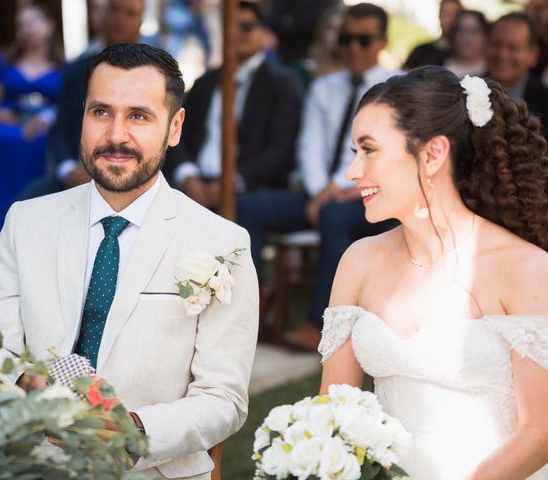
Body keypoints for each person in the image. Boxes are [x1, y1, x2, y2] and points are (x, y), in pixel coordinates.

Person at [0, 43, 259, 479]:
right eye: (100, 112)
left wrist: (136, 431)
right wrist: (30, 393)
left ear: (175, 126)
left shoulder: (223, 244)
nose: (116, 135)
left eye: (139, 116)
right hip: (30, 463)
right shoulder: (25, 222)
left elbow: (224, 398)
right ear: (81, 116)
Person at [319, 65, 548, 479]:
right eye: (355, 152)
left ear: (432, 154)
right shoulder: (359, 261)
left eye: (369, 150)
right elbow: (335, 410)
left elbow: (540, 433)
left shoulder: (525, 269)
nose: (353, 172)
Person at [280, 3, 397, 351]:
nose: (353, 48)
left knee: (333, 217)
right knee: (248, 208)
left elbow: (382, 150)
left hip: (374, 195)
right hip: (322, 194)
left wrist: (334, 190)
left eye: (364, 39)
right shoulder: (325, 86)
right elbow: (309, 145)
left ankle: (320, 323)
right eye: (347, 39)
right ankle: (252, 315)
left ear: (382, 41)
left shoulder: (398, 86)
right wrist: (320, 190)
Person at [169, 0, 302, 208]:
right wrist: (188, 175)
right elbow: (177, 131)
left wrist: (234, 181)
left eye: (247, 26)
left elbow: (281, 150)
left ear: (262, 32)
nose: (239, 32)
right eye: (232, 25)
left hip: (249, 190)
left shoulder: (281, 83)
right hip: (194, 186)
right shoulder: (207, 81)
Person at [19, 0, 143, 201]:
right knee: (27, 201)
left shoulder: (155, 75)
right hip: (78, 175)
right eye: (115, 10)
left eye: (130, 13)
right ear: (104, 16)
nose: (121, 19)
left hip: (135, 177)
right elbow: (61, 128)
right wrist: (68, 170)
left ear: (140, 21)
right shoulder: (79, 69)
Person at [0, 3, 64, 236]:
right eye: (21, 25)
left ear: (50, 24)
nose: (26, 28)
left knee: (43, 142)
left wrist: (48, 117)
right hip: (9, 125)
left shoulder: (65, 66)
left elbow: (70, 108)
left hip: (45, 128)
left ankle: (36, 216)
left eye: (33, 21)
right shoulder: (3, 62)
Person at [487, 12, 548, 133]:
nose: (502, 54)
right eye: (496, 44)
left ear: (533, 55)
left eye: (513, 47)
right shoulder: (465, 92)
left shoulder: (545, 104)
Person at [404, 0, 463, 70]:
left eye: (456, 15)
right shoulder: (420, 52)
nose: (451, 20)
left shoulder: (470, 55)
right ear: (439, 17)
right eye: (447, 14)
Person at [443, 9, 488, 78]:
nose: (468, 38)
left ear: (485, 35)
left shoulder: (496, 71)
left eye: (474, 31)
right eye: (462, 31)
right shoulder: (438, 64)